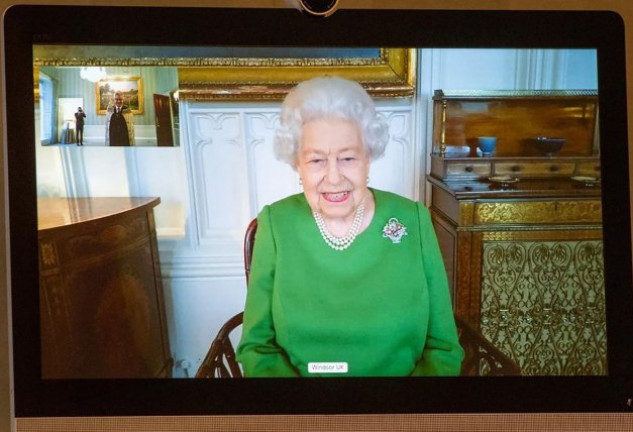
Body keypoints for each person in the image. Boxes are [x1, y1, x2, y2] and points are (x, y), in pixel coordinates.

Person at [236, 76, 464, 377]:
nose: (333, 177)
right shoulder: (276, 225)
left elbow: (443, 348)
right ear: (297, 165)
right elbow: (256, 348)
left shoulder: (414, 221)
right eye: (317, 160)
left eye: (347, 158)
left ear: (368, 158)